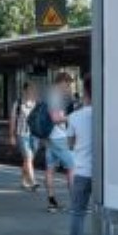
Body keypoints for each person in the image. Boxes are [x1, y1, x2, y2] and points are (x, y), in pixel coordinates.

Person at [60, 75, 112, 235]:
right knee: (106, 215)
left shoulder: (74, 116)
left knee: (77, 213)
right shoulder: (107, 114)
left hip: (82, 171)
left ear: (85, 92)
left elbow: (70, 144)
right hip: (103, 174)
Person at [43, 72, 75, 212]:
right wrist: (71, 117)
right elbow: (55, 119)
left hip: (50, 137)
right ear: (62, 82)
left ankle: (52, 203)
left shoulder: (49, 95)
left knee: (50, 169)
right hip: (58, 137)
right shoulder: (55, 97)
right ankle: (76, 203)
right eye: (67, 85)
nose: (68, 88)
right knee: (73, 168)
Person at [10, 82, 40, 191]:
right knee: (28, 157)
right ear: (25, 91)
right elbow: (13, 120)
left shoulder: (37, 103)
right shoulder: (18, 104)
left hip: (34, 135)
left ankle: (23, 180)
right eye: (29, 90)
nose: (31, 92)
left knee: (28, 159)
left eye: (33, 90)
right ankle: (33, 181)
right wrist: (12, 136)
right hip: (22, 134)